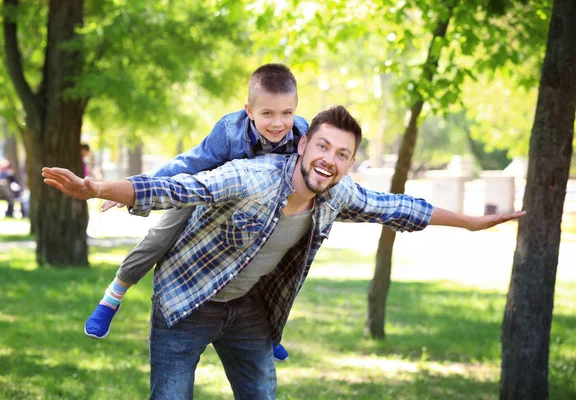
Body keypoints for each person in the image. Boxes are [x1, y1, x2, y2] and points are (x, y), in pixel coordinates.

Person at [42, 106, 525, 399]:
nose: (329, 160)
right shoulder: (251, 177)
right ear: (301, 146)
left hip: (249, 312)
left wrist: (472, 222)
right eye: (323, 147)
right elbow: (180, 186)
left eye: (342, 154)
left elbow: (398, 207)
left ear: (349, 162)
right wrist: (97, 189)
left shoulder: (338, 193)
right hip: (185, 302)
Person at [84, 63, 308, 362]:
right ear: (250, 111)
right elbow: (189, 163)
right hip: (204, 193)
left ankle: (266, 332)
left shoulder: (302, 134)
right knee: (161, 237)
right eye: (267, 113)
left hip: (255, 209)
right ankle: (113, 297)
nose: (278, 123)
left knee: (276, 251)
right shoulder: (229, 131)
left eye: (286, 113)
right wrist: (134, 188)